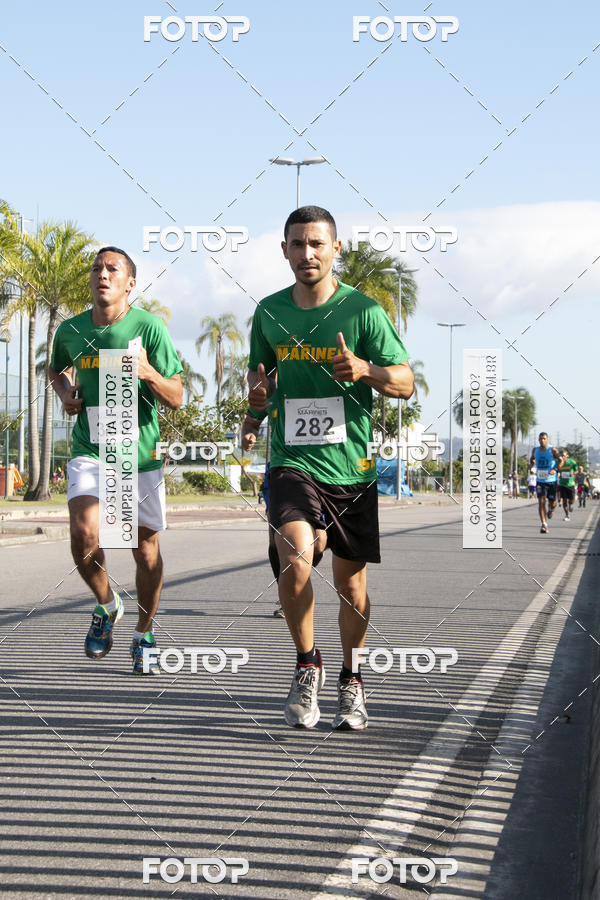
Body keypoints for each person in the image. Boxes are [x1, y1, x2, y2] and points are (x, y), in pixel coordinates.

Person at [243, 205, 414, 731]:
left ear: (336, 249)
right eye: (297, 244)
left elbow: (405, 382)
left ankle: (352, 676)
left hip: (352, 469)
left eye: (317, 244)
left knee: (351, 588)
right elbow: (259, 379)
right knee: (294, 555)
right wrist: (254, 411)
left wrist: (366, 369)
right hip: (291, 462)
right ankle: (306, 663)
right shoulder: (269, 313)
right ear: (285, 251)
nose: (307, 254)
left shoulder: (363, 313)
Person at [49, 246, 183, 674]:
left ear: (130, 283)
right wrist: (65, 393)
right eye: (96, 268)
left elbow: (177, 396)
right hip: (92, 450)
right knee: (84, 532)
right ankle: (107, 604)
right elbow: (55, 369)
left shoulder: (149, 329)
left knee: (145, 553)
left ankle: (144, 632)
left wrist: (149, 374)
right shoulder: (70, 331)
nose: (102, 274)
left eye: (113, 269)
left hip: (139, 458)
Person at [530, 432, 560, 533]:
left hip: (551, 480)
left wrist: (555, 469)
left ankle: (551, 509)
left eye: (544, 439)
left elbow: (561, 460)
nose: (542, 441)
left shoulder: (552, 450)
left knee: (553, 502)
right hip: (540, 481)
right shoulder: (535, 450)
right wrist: (531, 464)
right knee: (541, 502)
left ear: (547, 439)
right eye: (540, 439)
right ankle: (544, 524)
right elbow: (532, 459)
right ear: (538, 440)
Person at [557, 450, 578, 520]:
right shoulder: (559, 463)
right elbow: (557, 470)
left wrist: (573, 473)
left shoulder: (572, 462)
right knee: (564, 501)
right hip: (563, 484)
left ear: (567, 456)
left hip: (570, 484)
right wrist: (558, 474)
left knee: (571, 500)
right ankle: (567, 515)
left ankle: (571, 504)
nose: (562, 457)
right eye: (561, 456)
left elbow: (577, 470)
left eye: (563, 455)